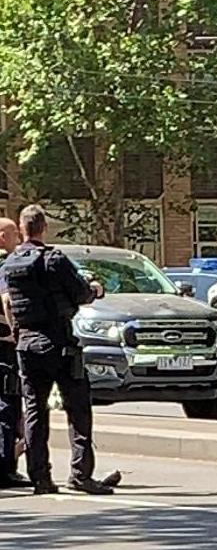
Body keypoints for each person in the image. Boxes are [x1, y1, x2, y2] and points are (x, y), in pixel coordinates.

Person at [1, 205, 114, 495]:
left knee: (35, 410)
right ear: (44, 228)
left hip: (27, 343)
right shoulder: (54, 258)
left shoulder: (11, 264)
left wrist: (17, 334)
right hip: (59, 342)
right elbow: (80, 293)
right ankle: (80, 474)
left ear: (23, 229)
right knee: (78, 409)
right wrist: (95, 289)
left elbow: (9, 303)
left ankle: (40, 477)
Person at [0, 218, 31, 488]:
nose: (18, 242)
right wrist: (14, 332)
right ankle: (6, 468)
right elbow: (7, 300)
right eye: (13, 236)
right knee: (8, 404)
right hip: (3, 344)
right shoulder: (4, 264)